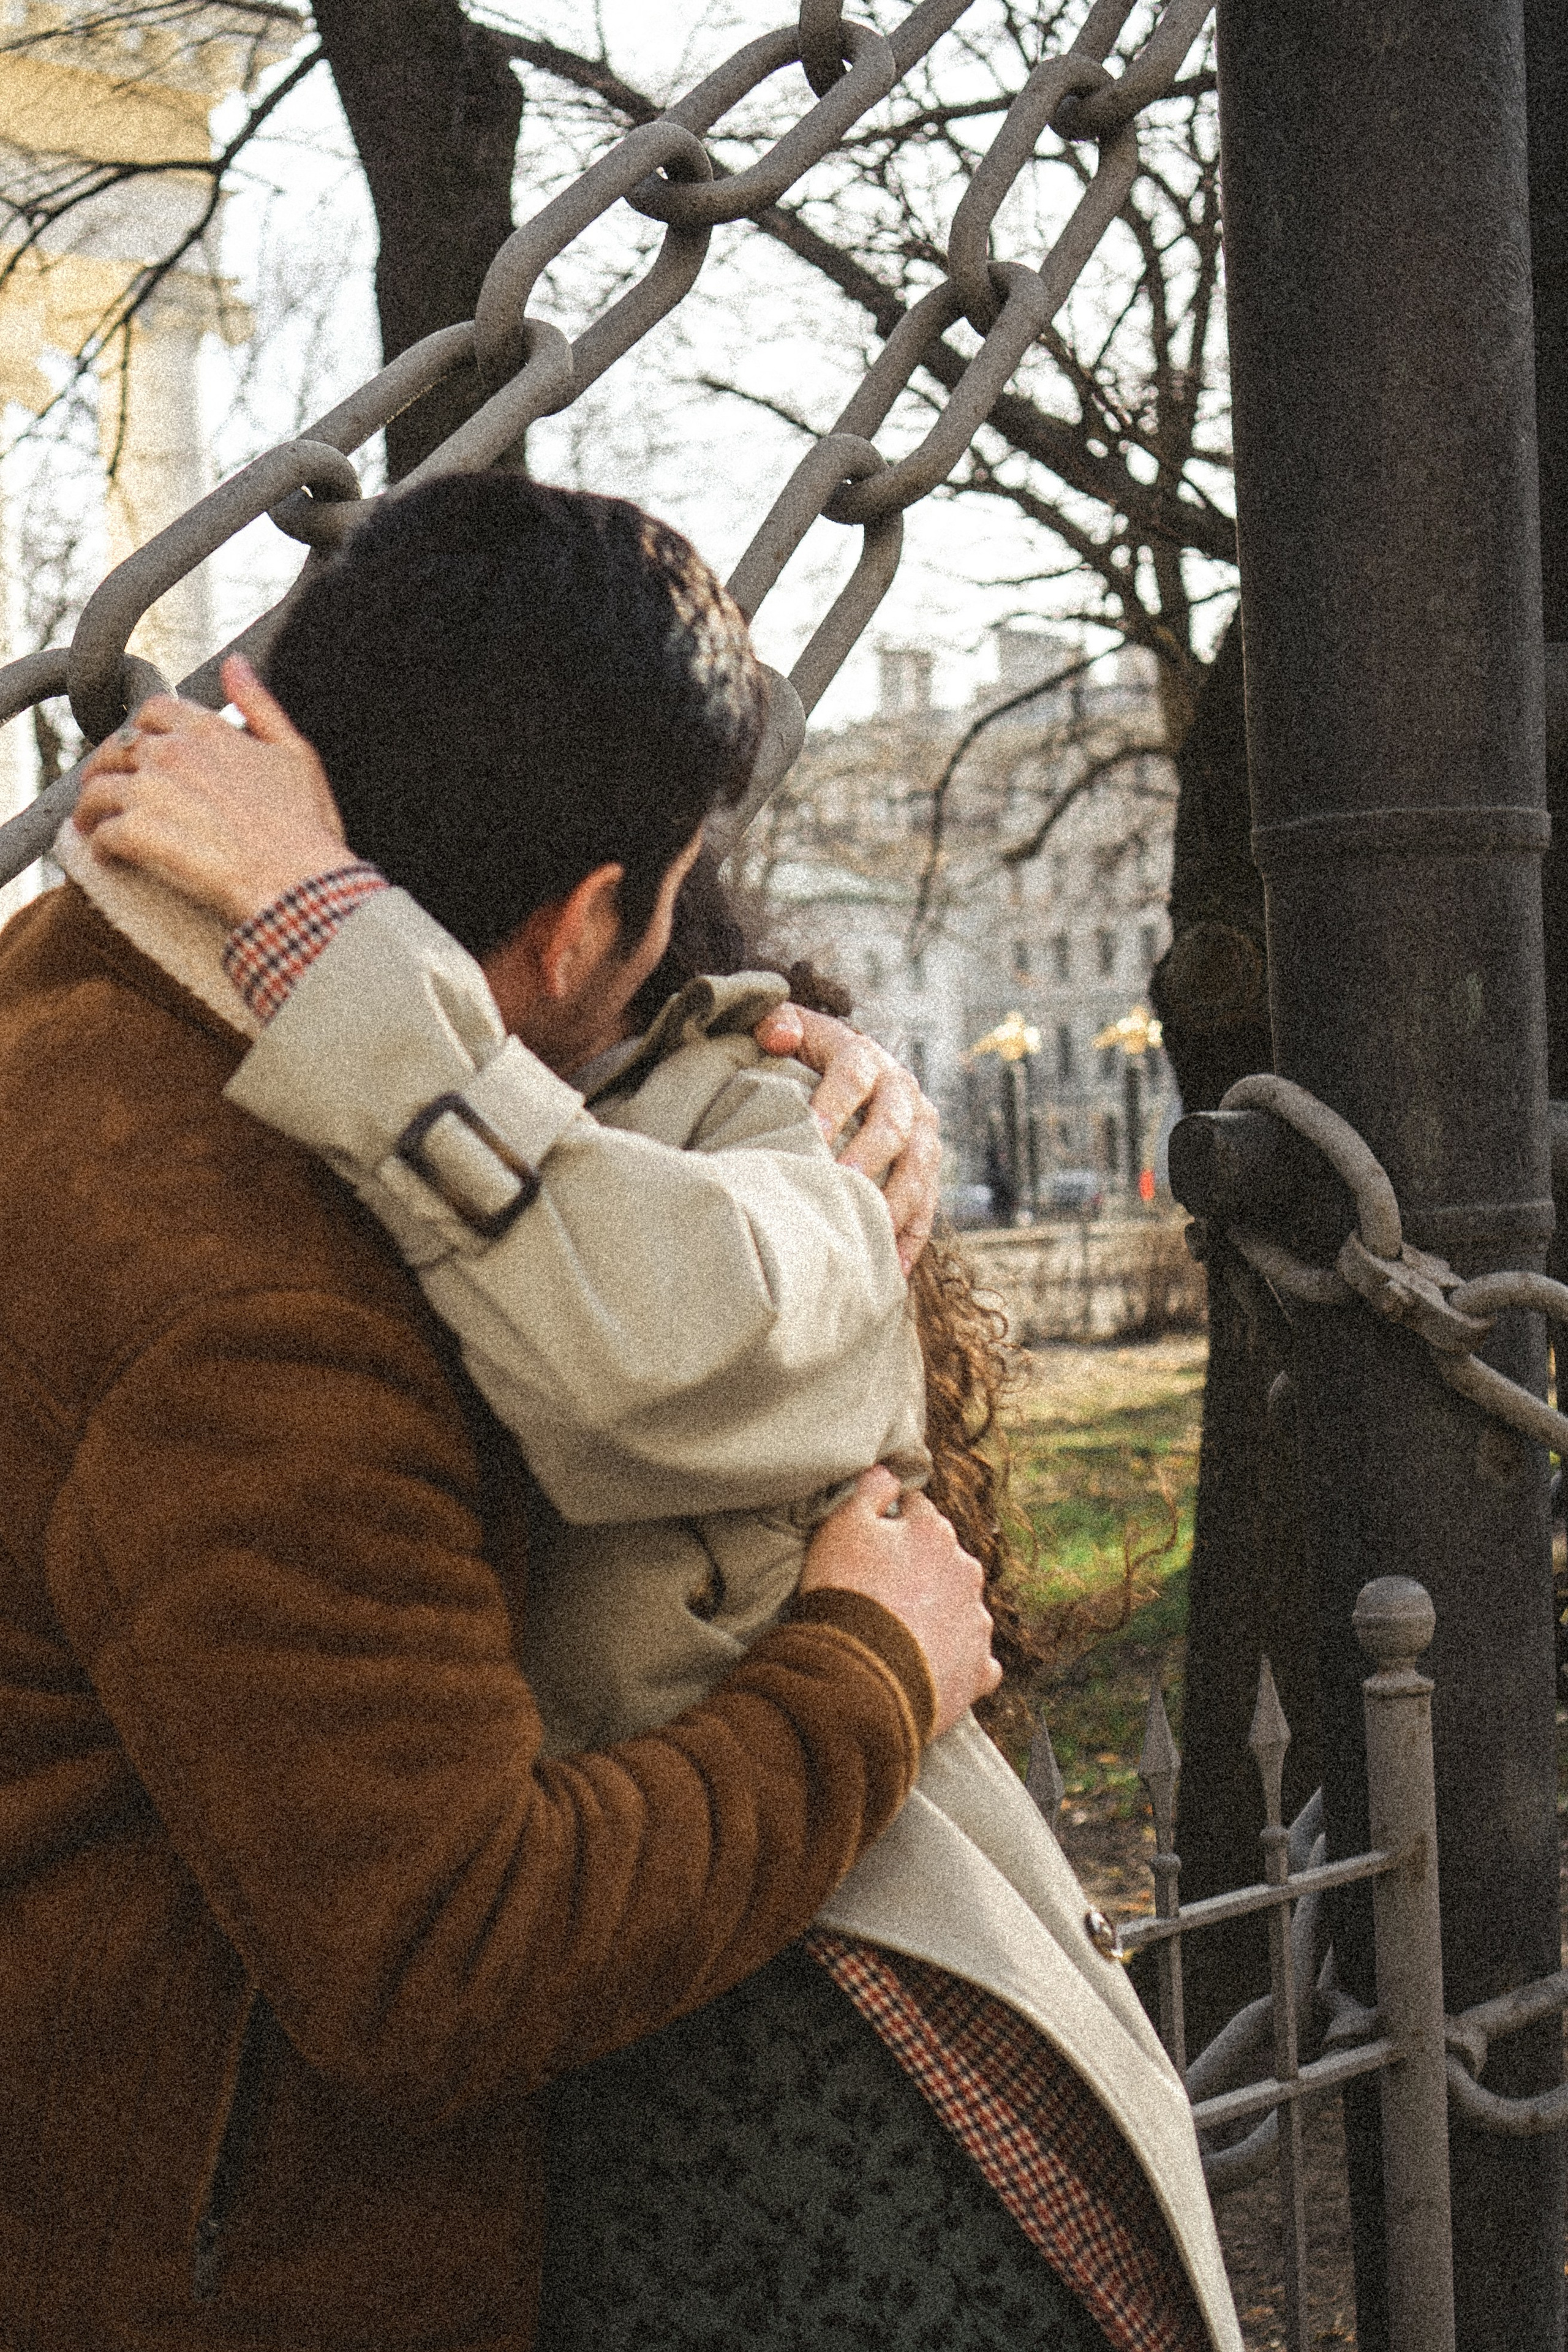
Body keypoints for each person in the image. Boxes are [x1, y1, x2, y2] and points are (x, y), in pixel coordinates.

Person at [72, 475, 1242, 2352]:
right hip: (670, 2093)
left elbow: (664, 1287)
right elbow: (446, 1954)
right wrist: (868, 1664)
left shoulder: (142, 1058)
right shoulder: (236, 1265)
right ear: (595, 906)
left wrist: (311, 924)